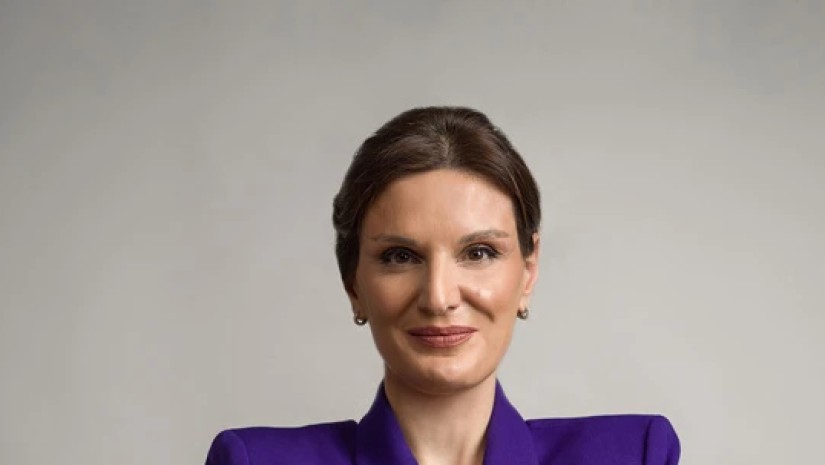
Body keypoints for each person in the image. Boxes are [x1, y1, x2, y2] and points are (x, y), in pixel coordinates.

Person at [205, 106, 681, 465]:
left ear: (528, 270)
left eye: (479, 253)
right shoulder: (254, 461)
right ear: (353, 283)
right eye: (400, 256)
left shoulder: (633, 454)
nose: (438, 297)